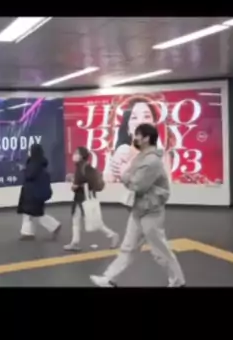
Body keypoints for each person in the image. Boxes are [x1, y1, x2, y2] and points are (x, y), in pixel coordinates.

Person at [90, 123, 186, 287]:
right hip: (139, 209)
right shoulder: (142, 157)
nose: (135, 138)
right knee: (128, 247)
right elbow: (132, 178)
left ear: (147, 138)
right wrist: (126, 174)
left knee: (159, 250)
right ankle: (110, 279)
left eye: (138, 135)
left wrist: (124, 174)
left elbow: (137, 185)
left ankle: (178, 281)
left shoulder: (151, 161)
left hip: (151, 212)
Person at [104, 96, 172, 182]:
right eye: (134, 117)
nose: (140, 121)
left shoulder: (162, 156)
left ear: (154, 124)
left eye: (146, 116)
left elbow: (165, 187)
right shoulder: (122, 151)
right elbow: (106, 185)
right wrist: (113, 169)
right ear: (128, 128)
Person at [64, 146, 119, 251]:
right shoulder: (88, 167)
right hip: (87, 197)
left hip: (82, 199)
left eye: (76, 153)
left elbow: (75, 186)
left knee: (93, 222)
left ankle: (112, 235)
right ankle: (74, 242)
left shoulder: (80, 168)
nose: (74, 155)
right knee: (77, 219)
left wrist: (74, 184)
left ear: (81, 156)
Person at [18, 143, 61, 240]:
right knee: (31, 213)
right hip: (36, 193)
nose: (28, 152)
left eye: (30, 150)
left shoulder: (34, 163)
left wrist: (24, 170)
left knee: (35, 213)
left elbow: (30, 175)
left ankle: (53, 226)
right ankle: (27, 232)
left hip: (32, 193)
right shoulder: (40, 163)